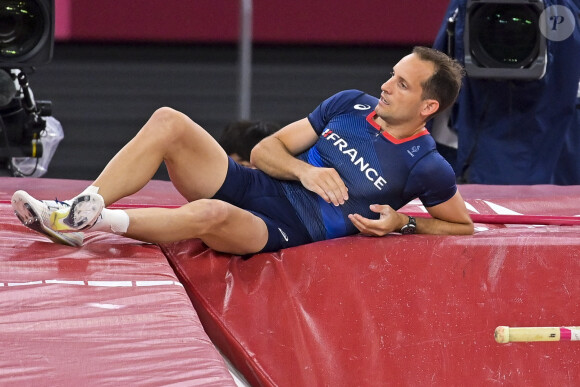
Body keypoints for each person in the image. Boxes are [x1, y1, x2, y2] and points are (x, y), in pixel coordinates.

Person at [11, 46, 474, 254]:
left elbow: (462, 226)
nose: (385, 85)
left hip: (283, 229)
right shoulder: (350, 104)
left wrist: (403, 222)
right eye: (392, 74)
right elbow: (268, 149)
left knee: (210, 214)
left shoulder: (427, 166)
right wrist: (303, 171)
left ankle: (83, 223)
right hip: (256, 182)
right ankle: (78, 206)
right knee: (169, 120)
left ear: (428, 105)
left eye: (401, 83)